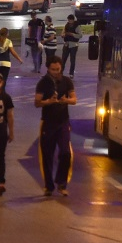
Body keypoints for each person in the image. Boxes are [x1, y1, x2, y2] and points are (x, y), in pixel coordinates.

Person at [34, 58, 77, 196]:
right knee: (47, 155)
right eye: (53, 69)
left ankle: (62, 183)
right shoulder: (43, 83)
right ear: (48, 69)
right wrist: (49, 102)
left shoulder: (66, 81)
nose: (56, 72)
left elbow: (74, 99)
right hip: (48, 123)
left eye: (58, 69)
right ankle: (49, 186)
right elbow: (37, 102)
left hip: (63, 122)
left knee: (66, 153)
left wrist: (66, 100)